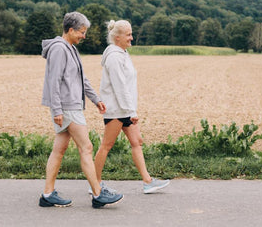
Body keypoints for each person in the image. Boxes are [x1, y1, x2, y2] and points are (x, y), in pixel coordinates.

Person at [39, 12, 123, 208]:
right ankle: (98, 194)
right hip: (67, 107)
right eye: (82, 32)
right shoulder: (60, 49)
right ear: (70, 30)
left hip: (70, 106)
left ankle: (47, 194)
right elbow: (54, 81)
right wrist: (57, 110)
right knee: (86, 148)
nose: (84, 36)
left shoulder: (71, 49)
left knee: (59, 150)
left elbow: (81, 79)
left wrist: (96, 99)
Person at [94, 20, 170, 194]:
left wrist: (130, 110)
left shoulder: (123, 53)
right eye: (128, 35)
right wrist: (131, 111)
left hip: (125, 109)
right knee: (107, 145)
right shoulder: (113, 57)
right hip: (117, 110)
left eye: (131, 34)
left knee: (137, 142)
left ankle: (148, 181)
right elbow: (119, 86)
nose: (132, 38)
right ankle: (95, 183)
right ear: (117, 37)